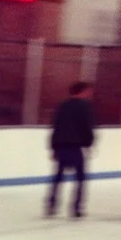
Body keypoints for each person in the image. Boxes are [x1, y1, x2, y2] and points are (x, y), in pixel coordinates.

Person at [46, 81, 95, 218]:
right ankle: (76, 208)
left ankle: (51, 205)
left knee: (58, 177)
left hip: (61, 146)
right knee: (80, 178)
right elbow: (87, 127)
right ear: (83, 91)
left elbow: (55, 127)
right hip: (75, 146)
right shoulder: (85, 106)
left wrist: (53, 147)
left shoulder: (62, 106)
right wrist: (88, 144)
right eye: (88, 91)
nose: (90, 94)